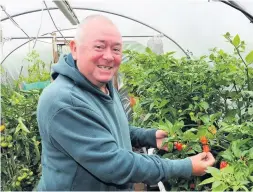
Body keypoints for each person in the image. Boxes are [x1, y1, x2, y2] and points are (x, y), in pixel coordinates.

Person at [36, 14, 215, 191]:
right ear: (74, 49)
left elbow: (107, 129)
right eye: (99, 47)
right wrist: (185, 166)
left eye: (116, 49)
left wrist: (148, 137)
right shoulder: (64, 101)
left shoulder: (100, 85)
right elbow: (114, 165)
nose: (108, 56)